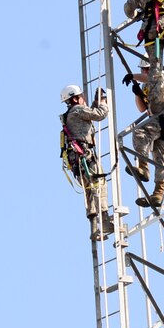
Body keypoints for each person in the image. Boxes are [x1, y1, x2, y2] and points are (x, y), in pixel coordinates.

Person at [59, 84, 115, 240]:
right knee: (98, 187)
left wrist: (96, 103)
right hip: (86, 157)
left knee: (91, 191)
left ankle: (96, 227)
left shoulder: (72, 113)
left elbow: (88, 116)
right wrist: (103, 101)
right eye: (81, 96)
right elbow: (100, 115)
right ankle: (103, 223)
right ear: (75, 98)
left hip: (79, 160)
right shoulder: (77, 110)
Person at [124, 67, 164, 210]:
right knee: (160, 157)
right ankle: (158, 194)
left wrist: (134, 76)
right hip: (158, 122)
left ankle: (143, 167)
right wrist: (138, 94)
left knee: (139, 132)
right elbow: (142, 108)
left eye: (146, 69)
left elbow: (152, 77)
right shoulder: (146, 84)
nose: (144, 72)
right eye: (143, 70)